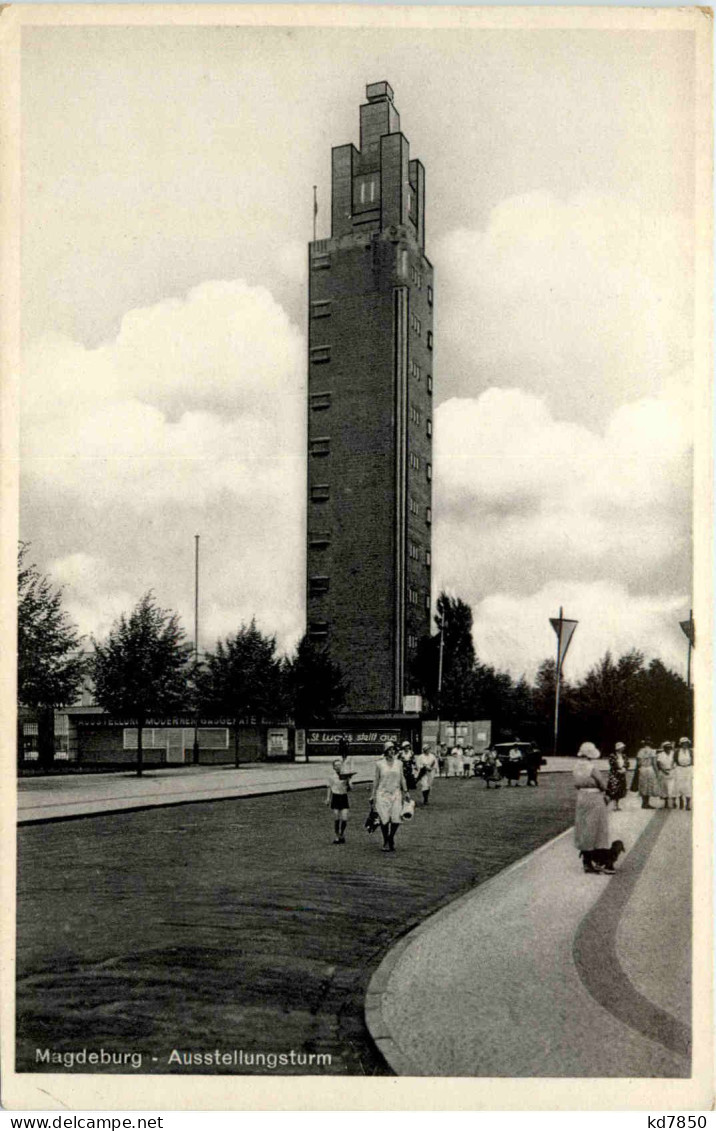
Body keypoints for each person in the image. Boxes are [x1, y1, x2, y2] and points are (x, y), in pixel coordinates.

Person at [573, 742, 611, 874]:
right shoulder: (592, 767)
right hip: (594, 797)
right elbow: (602, 784)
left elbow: (576, 784)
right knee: (596, 827)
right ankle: (597, 858)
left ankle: (586, 860)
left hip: (582, 796)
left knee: (584, 826)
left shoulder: (576, 766)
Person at [370, 741, 410, 852]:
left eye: (393, 750)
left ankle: (390, 837)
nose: (392, 752)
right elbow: (376, 780)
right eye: (389, 750)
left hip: (396, 793)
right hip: (382, 794)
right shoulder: (379, 764)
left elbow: (402, 778)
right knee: (384, 819)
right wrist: (373, 795)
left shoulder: (399, 763)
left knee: (396, 818)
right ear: (385, 751)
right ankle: (386, 840)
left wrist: (406, 792)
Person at [325, 758, 350, 844]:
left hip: (343, 797)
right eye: (336, 765)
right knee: (336, 817)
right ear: (333, 767)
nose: (338, 767)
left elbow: (350, 788)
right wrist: (328, 798)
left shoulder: (345, 775)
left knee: (344, 818)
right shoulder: (331, 776)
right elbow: (329, 787)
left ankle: (342, 834)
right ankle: (337, 835)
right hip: (335, 797)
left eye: (340, 765)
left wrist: (348, 781)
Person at [636, 738, 659, 809]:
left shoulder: (640, 751)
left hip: (642, 769)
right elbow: (654, 763)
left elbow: (638, 763)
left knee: (643, 785)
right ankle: (647, 803)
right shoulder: (652, 751)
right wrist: (657, 772)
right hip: (650, 768)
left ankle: (644, 802)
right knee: (649, 785)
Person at [606, 742, 628, 810]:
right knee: (613, 789)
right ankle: (608, 804)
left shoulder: (624, 755)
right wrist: (618, 769)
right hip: (614, 775)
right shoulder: (612, 755)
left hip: (621, 775)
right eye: (622, 747)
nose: (623, 749)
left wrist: (624, 768)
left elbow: (627, 762)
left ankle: (616, 805)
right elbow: (612, 763)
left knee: (620, 790)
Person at [673, 737, 693, 811]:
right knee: (679, 785)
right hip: (679, 769)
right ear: (681, 744)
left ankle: (688, 804)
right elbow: (674, 760)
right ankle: (681, 800)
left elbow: (693, 760)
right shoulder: (677, 751)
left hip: (688, 769)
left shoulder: (690, 751)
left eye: (686, 743)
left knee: (688, 786)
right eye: (683, 743)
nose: (685, 745)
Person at [656, 741, 677, 809]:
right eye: (666, 747)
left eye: (669, 747)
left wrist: (672, 767)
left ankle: (674, 802)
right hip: (663, 772)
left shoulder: (673, 754)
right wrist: (664, 770)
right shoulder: (660, 755)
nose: (668, 749)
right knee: (664, 788)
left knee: (672, 788)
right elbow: (659, 764)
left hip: (672, 771)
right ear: (664, 748)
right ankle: (666, 803)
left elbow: (675, 762)